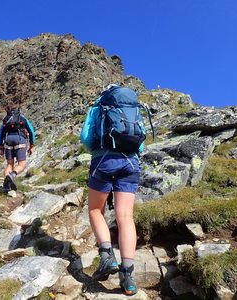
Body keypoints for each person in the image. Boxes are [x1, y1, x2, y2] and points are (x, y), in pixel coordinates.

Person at [80, 84, 143, 295]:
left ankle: (107, 257)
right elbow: (140, 144)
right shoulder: (135, 109)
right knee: (125, 216)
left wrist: (98, 151)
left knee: (95, 210)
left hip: (103, 161)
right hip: (131, 163)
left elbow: (86, 138)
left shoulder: (99, 106)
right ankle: (128, 277)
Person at [0, 107, 35, 191]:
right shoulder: (23, 119)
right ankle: (13, 175)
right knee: (21, 165)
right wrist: (31, 146)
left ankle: (6, 185)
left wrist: (0, 147)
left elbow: (0, 133)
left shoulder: (6, 120)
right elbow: (31, 131)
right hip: (19, 139)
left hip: (8, 140)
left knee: (9, 164)